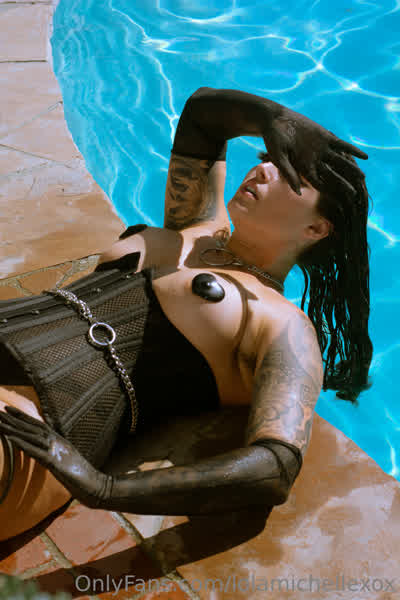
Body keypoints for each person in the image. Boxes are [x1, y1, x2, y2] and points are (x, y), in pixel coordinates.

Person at [0, 87, 372, 541]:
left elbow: (276, 465)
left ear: (316, 227)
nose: (263, 168)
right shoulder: (196, 225)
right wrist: (273, 117)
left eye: (290, 173)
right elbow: (202, 115)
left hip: (32, 419)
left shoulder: (282, 324)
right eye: (268, 157)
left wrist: (104, 488)